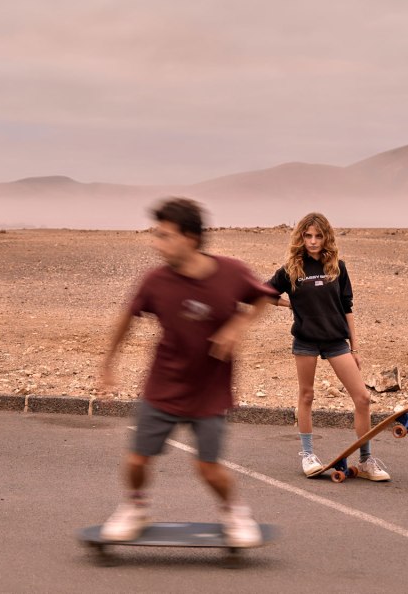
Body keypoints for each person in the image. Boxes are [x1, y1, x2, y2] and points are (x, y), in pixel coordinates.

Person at [98, 197, 276, 546]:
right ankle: (135, 508)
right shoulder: (154, 281)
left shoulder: (231, 272)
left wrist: (237, 327)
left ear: (191, 239)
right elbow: (125, 320)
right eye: (156, 234)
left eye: (165, 236)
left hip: (209, 391)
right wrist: (107, 365)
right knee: (137, 460)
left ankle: (234, 513)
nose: (156, 243)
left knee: (208, 468)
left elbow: (263, 297)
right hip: (164, 384)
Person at [266, 212, 391, 481]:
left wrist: (355, 349)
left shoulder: (338, 267)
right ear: (301, 237)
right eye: (308, 236)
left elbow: (347, 308)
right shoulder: (291, 270)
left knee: (363, 398)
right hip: (306, 340)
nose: (313, 241)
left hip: (336, 340)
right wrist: (290, 304)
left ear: (327, 238)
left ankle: (366, 460)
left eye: (318, 236)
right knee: (307, 396)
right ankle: (308, 455)